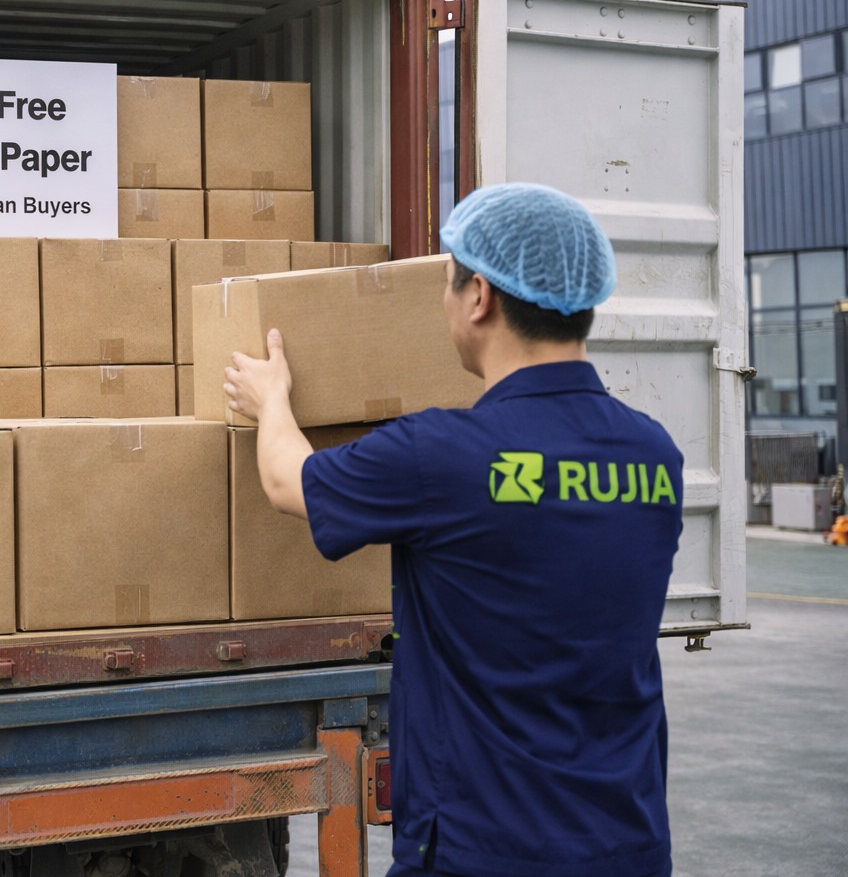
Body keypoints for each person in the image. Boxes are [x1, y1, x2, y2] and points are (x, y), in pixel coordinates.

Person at [223, 182, 683, 877]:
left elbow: (291, 482)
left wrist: (271, 400)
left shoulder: (441, 456)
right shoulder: (655, 455)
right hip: (626, 840)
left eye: (447, 280)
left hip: (484, 847)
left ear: (480, 298)